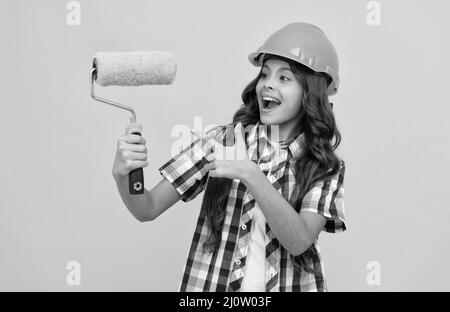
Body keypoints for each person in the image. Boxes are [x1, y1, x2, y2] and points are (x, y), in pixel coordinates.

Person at [112, 22, 347, 292]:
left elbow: (299, 241)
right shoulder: (222, 142)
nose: (267, 85)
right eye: (265, 75)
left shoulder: (325, 166)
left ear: (311, 93)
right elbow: (147, 207)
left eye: (284, 78)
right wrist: (125, 174)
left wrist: (250, 173)